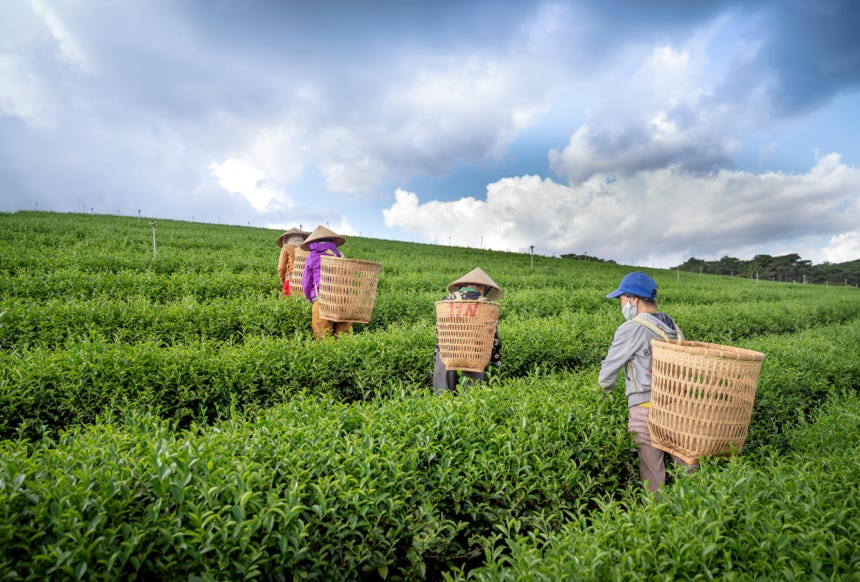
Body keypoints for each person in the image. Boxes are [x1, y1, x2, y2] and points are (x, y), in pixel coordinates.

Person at [598, 271, 693, 492]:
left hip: (646, 408)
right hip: (679, 405)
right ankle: (691, 516)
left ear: (633, 298)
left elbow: (607, 371)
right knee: (686, 468)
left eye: (622, 299)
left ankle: (656, 519)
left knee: (652, 474)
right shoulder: (671, 326)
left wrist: (604, 394)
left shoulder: (632, 328)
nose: (621, 304)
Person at [433, 267, 503, 393]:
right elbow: (492, 337)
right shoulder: (486, 304)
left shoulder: (446, 300)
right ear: (484, 288)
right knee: (469, 401)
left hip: (445, 355)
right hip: (474, 357)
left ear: (463, 285)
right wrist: (495, 359)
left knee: (441, 399)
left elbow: (438, 330)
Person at [301, 225, 352, 340]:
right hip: (342, 300)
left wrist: (310, 297)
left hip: (322, 299)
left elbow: (306, 282)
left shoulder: (312, 256)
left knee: (322, 337)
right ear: (332, 241)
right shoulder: (340, 256)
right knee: (343, 338)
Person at [276, 228, 309, 296]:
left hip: (291, 279)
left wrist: (282, 279)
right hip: (306, 281)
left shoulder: (286, 247)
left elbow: (281, 267)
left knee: (288, 303)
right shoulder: (307, 249)